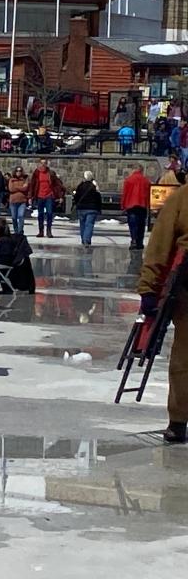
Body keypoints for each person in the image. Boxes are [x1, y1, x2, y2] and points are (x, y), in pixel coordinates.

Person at [137, 182, 188, 443]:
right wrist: (149, 289)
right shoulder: (181, 199)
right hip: (187, 289)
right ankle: (178, 420)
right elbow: (159, 245)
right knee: (184, 358)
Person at [27, 158, 64, 239]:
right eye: (42, 163)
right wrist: (30, 196)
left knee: (49, 213)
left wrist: (60, 196)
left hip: (49, 196)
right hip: (40, 196)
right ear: (39, 164)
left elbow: (57, 185)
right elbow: (32, 185)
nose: (43, 165)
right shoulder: (36, 173)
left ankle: (49, 231)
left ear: (47, 164)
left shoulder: (50, 173)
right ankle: (41, 231)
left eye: (45, 163)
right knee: (40, 214)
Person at [122, 164, 152, 250]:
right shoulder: (146, 181)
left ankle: (134, 240)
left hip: (131, 205)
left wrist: (123, 206)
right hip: (142, 205)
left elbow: (125, 194)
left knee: (133, 224)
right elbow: (148, 194)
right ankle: (140, 242)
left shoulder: (128, 180)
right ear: (141, 170)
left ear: (133, 170)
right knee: (141, 224)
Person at [73, 171, 102, 248]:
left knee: (82, 225)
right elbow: (98, 198)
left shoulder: (80, 186)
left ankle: (83, 239)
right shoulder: (94, 186)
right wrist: (99, 208)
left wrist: (76, 205)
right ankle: (87, 240)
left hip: (81, 208)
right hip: (92, 208)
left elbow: (76, 197)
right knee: (89, 225)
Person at [7, 166, 29, 234]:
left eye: (20, 171)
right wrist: (21, 188)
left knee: (21, 216)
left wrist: (16, 187)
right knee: (14, 217)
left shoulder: (25, 179)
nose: (18, 172)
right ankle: (16, 230)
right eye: (17, 171)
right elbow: (11, 189)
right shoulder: (11, 180)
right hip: (13, 201)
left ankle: (20, 231)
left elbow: (26, 189)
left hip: (22, 201)